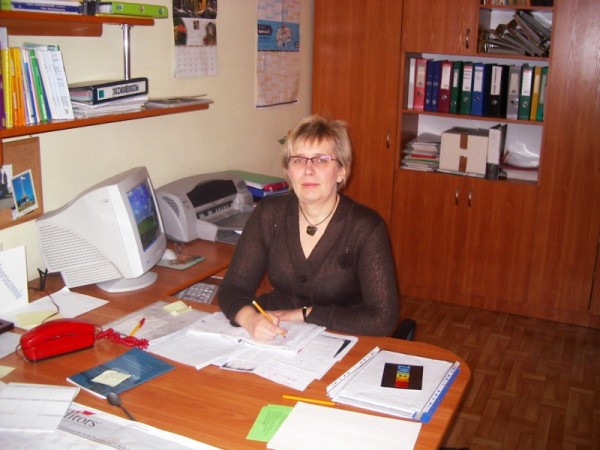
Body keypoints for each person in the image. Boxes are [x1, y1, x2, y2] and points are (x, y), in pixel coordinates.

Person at [218, 115, 400, 341]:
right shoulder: (269, 214)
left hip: (343, 333)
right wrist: (249, 319)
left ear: (341, 171)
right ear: (288, 170)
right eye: (298, 160)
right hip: (275, 328)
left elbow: (383, 319)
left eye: (321, 160)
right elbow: (232, 287)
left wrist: (305, 314)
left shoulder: (365, 227)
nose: (308, 170)